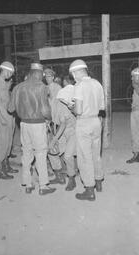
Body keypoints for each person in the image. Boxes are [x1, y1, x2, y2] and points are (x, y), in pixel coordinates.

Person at [8, 63, 56, 195]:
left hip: (24, 124)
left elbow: (10, 108)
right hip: (38, 124)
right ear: (38, 73)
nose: (43, 77)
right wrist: (50, 119)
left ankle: (28, 184)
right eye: (43, 75)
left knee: (27, 153)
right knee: (40, 153)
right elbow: (45, 110)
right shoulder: (42, 87)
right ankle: (43, 186)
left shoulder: (17, 87)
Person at [69, 59, 105, 201]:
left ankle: (89, 190)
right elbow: (102, 107)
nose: (73, 77)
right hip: (96, 121)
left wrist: (71, 107)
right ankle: (99, 182)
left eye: (72, 74)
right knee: (96, 154)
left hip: (83, 122)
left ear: (76, 72)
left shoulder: (79, 86)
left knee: (85, 157)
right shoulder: (97, 84)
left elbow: (78, 110)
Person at [0, 61, 18, 180]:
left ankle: (6, 165)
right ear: (5, 70)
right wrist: (0, 117)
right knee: (2, 141)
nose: (10, 75)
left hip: (9, 115)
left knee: (9, 140)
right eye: (10, 73)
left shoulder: (4, 83)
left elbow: (6, 98)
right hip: (2, 115)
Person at [48, 75, 78, 191]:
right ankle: (59, 176)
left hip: (71, 131)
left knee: (68, 155)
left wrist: (54, 140)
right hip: (61, 131)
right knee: (51, 151)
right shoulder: (52, 101)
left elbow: (63, 124)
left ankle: (71, 178)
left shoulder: (62, 102)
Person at [44, 68, 66, 184]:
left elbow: (58, 105)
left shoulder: (57, 88)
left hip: (58, 121)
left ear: (53, 77)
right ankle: (61, 172)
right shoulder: (45, 88)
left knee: (54, 147)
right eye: (46, 76)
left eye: (49, 76)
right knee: (55, 147)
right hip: (51, 120)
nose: (47, 78)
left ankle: (60, 175)